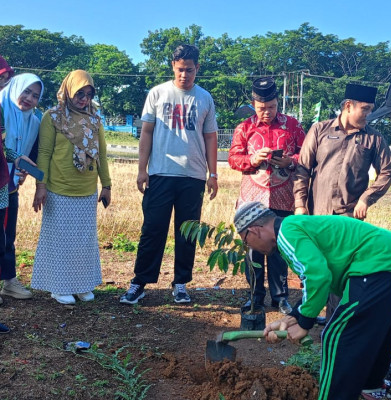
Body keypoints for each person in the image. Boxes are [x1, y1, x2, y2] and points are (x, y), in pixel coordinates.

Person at [234, 201, 391, 400]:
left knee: (335, 336)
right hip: (387, 260)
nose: (248, 247)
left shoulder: (286, 233)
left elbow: (318, 276)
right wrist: (293, 317)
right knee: (374, 329)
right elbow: (314, 281)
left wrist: (304, 322)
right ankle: (372, 388)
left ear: (254, 230)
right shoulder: (293, 227)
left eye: (245, 240)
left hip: (374, 263)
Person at [120, 44, 218, 305]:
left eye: (189, 70)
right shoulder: (157, 93)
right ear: (172, 67)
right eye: (179, 70)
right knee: (153, 229)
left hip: (194, 175)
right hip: (161, 173)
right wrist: (142, 170)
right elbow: (147, 133)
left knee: (187, 232)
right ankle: (139, 282)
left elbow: (210, 137)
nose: (184, 75)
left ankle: (181, 283)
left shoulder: (205, 98)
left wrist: (213, 173)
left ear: (197, 68)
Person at [294, 83, 391, 322]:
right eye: (366, 109)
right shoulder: (320, 130)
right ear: (348, 106)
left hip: (348, 221)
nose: (368, 115)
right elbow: (303, 169)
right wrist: (300, 205)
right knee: (315, 269)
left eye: (371, 110)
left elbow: (387, 172)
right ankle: (306, 319)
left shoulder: (373, 138)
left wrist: (366, 199)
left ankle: (335, 328)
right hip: (317, 217)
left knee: (342, 275)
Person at [32, 70, 111, 305]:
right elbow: (44, 153)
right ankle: (59, 287)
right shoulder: (53, 116)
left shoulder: (94, 119)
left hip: (86, 189)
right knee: (60, 241)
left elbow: (102, 156)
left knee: (83, 242)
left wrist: (106, 185)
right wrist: (40, 185)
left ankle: (81, 285)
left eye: (88, 94)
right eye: (79, 93)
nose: (84, 99)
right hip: (58, 189)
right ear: (68, 91)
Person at [228, 76, 305, 314]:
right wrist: (251, 160)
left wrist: (290, 161)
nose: (267, 112)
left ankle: (280, 297)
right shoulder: (244, 128)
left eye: (271, 107)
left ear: (277, 103)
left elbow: (307, 155)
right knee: (253, 247)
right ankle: (255, 296)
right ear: (254, 104)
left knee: (280, 248)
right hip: (253, 200)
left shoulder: (293, 126)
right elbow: (233, 158)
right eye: (261, 108)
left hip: (284, 197)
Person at [0, 73, 44, 303]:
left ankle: (8, 281)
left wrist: (26, 170)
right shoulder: (0, 106)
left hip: (9, 186)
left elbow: (31, 152)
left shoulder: (34, 121)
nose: (28, 98)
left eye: (35, 95)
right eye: (26, 91)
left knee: (7, 235)